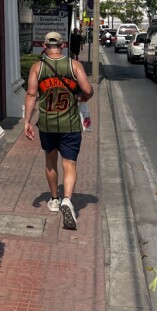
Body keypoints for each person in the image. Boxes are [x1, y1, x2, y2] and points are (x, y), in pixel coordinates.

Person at [24, 31, 94, 230]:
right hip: (70, 124)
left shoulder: (37, 68)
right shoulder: (74, 66)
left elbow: (31, 94)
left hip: (47, 124)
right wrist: (82, 98)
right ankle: (67, 200)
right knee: (69, 164)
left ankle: (54, 199)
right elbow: (88, 90)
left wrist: (27, 121)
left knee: (50, 161)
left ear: (45, 47)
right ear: (62, 46)